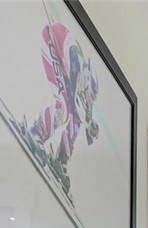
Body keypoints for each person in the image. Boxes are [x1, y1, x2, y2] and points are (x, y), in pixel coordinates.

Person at [26, 19, 100, 198]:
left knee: (75, 117)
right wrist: (88, 122)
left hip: (59, 51)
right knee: (65, 108)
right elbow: (75, 103)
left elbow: (82, 113)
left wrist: (90, 124)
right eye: (89, 95)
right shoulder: (77, 65)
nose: (88, 100)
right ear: (87, 80)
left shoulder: (82, 79)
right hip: (50, 43)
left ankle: (62, 158)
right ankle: (37, 131)